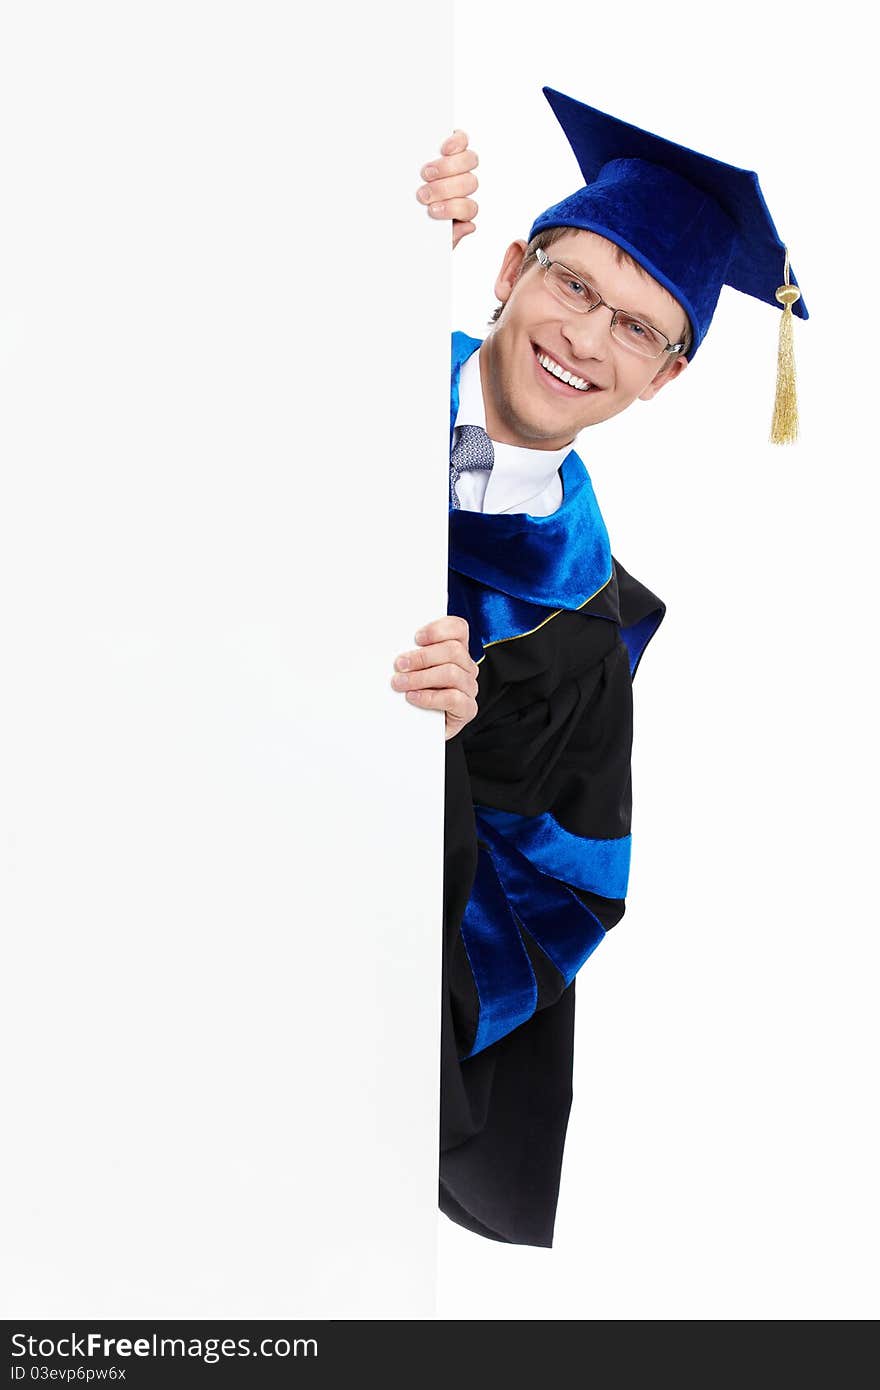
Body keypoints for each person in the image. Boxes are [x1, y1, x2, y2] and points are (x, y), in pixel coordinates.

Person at [390, 89, 807, 1247]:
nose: (585, 338)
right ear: (510, 267)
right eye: (574, 285)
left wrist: (435, 770)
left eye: (637, 327)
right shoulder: (338, 363)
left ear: (665, 379)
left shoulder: (580, 638)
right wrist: (363, 216)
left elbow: (543, 903)